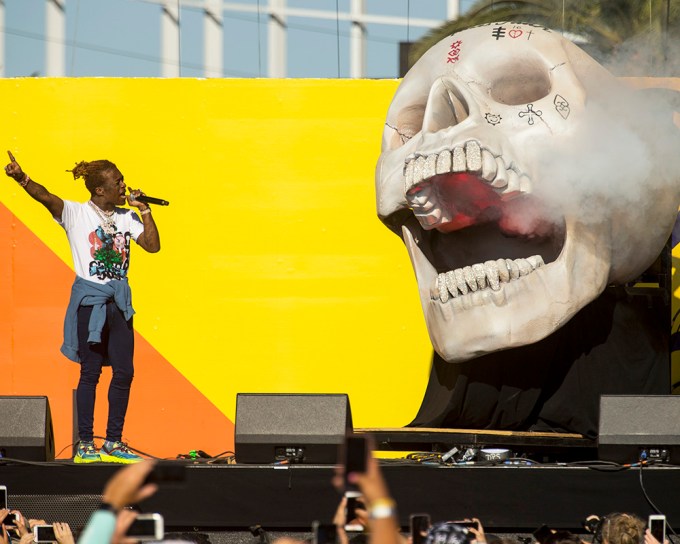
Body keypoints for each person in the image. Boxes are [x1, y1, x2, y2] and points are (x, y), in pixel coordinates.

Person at [4, 151, 161, 464]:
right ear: (100, 190)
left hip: (119, 303)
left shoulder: (126, 217)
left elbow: (153, 246)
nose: (124, 186)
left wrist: (144, 210)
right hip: (91, 302)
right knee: (90, 373)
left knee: (125, 372)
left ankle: (113, 442)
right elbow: (45, 197)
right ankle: (86, 444)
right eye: (118, 182)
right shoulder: (76, 214)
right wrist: (21, 178)